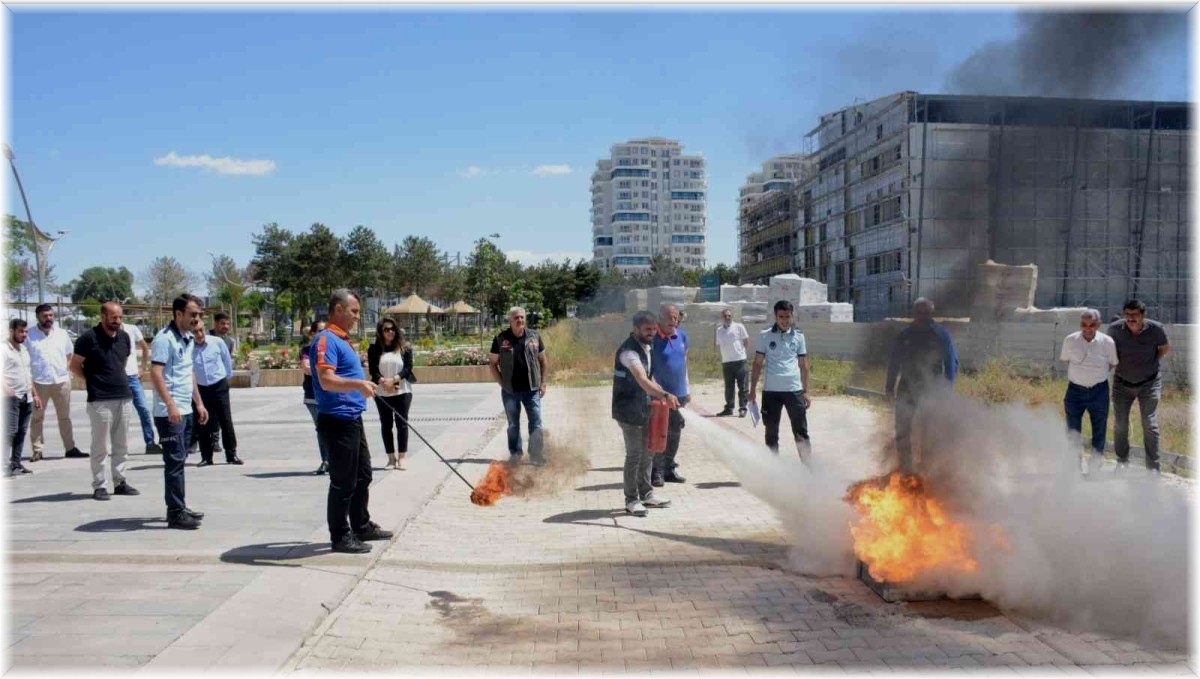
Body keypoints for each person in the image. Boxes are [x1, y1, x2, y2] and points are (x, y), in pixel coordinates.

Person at [313, 289, 392, 554]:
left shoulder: (342, 339)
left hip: (352, 418)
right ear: (337, 309)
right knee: (343, 481)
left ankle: (361, 524)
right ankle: (340, 536)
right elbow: (326, 379)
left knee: (363, 474)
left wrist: (365, 382)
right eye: (354, 311)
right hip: (337, 420)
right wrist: (358, 384)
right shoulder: (325, 340)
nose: (358, 316)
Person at [612, 310, 679, 517]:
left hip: (644, 407)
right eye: (646, 329)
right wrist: (665, 394)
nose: (651, 333)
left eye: (653, 329)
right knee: (634, 454)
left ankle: (647, 494)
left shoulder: (646, 348)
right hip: (627, 411)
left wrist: (663, 393)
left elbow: (650, 378)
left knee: (648, 451)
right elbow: (642, 380)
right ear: (635, 329)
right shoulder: (628, 352)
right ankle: (631, 500)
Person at [69, 302, 139, 501]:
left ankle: (120, 481)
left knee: (121, 443)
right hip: (100, 399)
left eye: (120, 317)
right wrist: (93, 380)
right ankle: (99, 485)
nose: (117, 321)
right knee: (100, 445)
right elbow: (74, 366)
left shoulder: (125, 338)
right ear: (102, 316)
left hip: (124, 396)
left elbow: (122, 362)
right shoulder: (87, 339)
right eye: (113, 317)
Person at [150, 295, 209, 530]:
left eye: (199, 315)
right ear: (178, 314)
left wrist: (199, 403)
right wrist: (171, 404)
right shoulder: (164, 339)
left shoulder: (187, 338)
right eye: (193, 314)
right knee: (174, 460)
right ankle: (175, 512)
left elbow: (188, 373)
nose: (197, 319)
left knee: (180, 459)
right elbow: (155, 374)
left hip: (186, 408)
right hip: (169, 412)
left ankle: (179, 506)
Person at [884, 298, 958, 473]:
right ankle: (905, 468)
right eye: (920, 312)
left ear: (932, 313)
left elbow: (950, 363)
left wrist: (947, 390)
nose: (924, 316)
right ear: (914, 313)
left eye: (927, 313)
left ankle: (927, 468)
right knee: (902, 428)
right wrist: (889, 387)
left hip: (931, 388)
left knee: (929, 429)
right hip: (907, 387)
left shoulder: (941, 334)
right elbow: (894, 362)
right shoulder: (904, 335)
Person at [1109, 299, 1170, 471]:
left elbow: (1163, 348)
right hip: (1121, 383)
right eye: (1127, 315)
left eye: (1135, 315)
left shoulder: (1156, 329)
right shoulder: (1114, 330)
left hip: (1149, 383)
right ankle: (1122, 461)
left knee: (1149, 422)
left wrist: (1150, 363)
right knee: (1120, 423)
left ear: (1143, 315)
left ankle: (1153, 467)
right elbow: (1109, 353)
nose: (1131, 319)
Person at [749, 300, 814, 461]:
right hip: (771, 391)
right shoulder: (765, 335)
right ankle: (775, 468)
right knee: (771, 432)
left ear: (792, 316)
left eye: (787, 316)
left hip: (794, 390)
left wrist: (806, 392)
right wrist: (751, 391)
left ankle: (808, 469)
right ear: (775, 316)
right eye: (781, 316)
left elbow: (804, 365)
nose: (785, 320)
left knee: (801, 432)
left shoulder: (799, 336)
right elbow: (757, 363)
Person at [1060, 309, 1119, 474]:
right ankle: (1074, 467)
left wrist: (1095, 375)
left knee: (1099, 431)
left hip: (1099, 392)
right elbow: (1066, 360)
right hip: (1074, 392)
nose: (1087, 328)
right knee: (1073, 431)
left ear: (1098, 325)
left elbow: (1113, 363)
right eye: (1084, 324)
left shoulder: (1108, 342)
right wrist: (1081, 376)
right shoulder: (1070, 340)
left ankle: (1094, 469)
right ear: (1080, 324)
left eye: (1092, 325)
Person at [488, 307, 548, 466]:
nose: (519, 320)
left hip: (532, 389)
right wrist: (502, 383)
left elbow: (543, 360)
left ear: (525, 319)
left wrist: (543, 383)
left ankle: (536, 455)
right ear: (510, 320)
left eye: (522, 317)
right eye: (516, 318)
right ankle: (515, 453)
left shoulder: (534, 336)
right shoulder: (501, 339)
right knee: (513, 424)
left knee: (536, 421)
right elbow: (493, 363)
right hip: (510, 391)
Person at [26, 303, 85, 461]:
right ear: (37, 317)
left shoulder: (61, 333)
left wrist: (66, 370)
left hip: (61, 381)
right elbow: (24, 359)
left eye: (51, 315)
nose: (48, 318)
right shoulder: (29, 335)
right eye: (45, 316)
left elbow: (69, 353)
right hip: (39, 382)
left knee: (64, 417)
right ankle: (37, 450)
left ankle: (70, 448)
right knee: (37, 417)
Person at [368, 317, 416, 471]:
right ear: (380, 332)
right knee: (386, 425)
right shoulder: (374, 349)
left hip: (402, 390)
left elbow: (408, 368)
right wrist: (383, 381)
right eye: (386, 329)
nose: (390, 332)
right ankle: (390, 458)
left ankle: (402, 458)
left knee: (402, 424)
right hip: (382, 391)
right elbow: (373, 370)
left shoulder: (405, 347)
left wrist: (394, 380)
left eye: (393, 329)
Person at [192, 322, 242, 467]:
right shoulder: (188, 347)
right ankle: (206, 457)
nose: (199, 334)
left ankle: (231, 454)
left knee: (225, 419)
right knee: (202, 422)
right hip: (200, 388)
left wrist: (226, 378)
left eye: (201, 330)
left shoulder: (217, 342)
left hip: (219, 384)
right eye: (195, 332)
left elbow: (226, 361)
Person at [650, 304, 689, 487]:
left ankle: (669, 469)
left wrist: (687, 390)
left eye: (675, 318)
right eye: (669, 318)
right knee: (660, 433)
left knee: (675, 432)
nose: (673, 321)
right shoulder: (652, 339)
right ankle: (656, 472)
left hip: (679, 394)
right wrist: (660, 393)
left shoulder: (681, 335)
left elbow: (684, 363)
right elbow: (647, 369)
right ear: (660, 318)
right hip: (661, 396)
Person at [5, 318, 40, 476]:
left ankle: (15, 464)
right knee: (9, 431)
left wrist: (35, 394)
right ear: (12, 331)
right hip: (10, 396)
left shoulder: (24, 350)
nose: (24, 334)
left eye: (26, 331)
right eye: (21, 331)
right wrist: (7, 390)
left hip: (26, 396)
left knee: (21, 431)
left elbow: (28, 374)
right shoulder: (3, 349)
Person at [122, 319, 160, 455]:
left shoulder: (131, 329)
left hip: (133, 377)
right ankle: (120, 446)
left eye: (119, 316)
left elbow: (144, 347)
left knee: (144, 409)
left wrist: (143, 367)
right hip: (117, 378)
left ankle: (150, 443)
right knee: (120, 414)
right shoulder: (105, 332)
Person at [301, 320, 329, 475]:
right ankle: (325, 460)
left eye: (326, 330)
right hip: (313, 395)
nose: (323, 334)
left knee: (334, 428)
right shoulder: (306, 350)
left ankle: (335, 460)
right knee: (321, 429)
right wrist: (327, 371)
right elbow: (307, 369)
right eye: (319, 331)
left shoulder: (330, 349)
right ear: (312, 333)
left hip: (331, 394)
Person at [714, 308, 750, 418]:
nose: (727, 317)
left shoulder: (739, 327)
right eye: (725, 316)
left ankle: (743, 408)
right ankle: (729, 408)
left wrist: (741, 353)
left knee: (743, 386)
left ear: (732, 316)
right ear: (722, 317)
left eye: (729, 315)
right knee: (729, 387)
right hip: (727, 362)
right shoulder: (719, 330)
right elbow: (717, 344)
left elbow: (746, 341)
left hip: (740, 361)